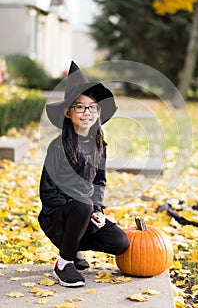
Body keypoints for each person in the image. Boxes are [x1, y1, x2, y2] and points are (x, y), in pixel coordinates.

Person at [38, 61, 129, 287]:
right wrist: (81, 206)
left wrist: (97, 210)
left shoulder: (100, 146)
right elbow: (47, 192)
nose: (86, 112)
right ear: (68, 113)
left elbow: (99, 182)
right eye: (79, 107)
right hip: (58, 217)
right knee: (81, 203)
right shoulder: (57, 147)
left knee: (120, 241)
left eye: (92, 107)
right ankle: (64, 262)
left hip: (84, 212)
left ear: (98, 112)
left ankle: (74, 246)